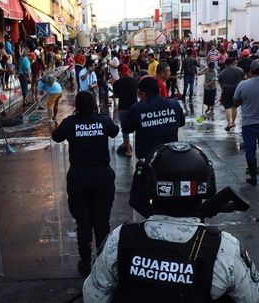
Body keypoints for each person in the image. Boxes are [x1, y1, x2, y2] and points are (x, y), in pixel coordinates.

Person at [83, 141, 259, 303]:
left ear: (151, 185)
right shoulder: (224, 248)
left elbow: (95, 302)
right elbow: (253, 295)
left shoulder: (120, 239)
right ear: (208, 184)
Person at [51, 91, 119, 276]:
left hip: (79, 177)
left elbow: (56, 136)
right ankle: (104, 261)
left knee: (84, 222)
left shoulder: (70, 123)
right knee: (102, 222)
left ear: (77, 106)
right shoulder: (103, 121)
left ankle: (86, 261)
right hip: (102, 176)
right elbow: (115, 131)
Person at [122, 77, 185, 218]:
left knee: (136, 199)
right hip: (172, 161)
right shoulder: (173, 104)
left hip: (149, 164)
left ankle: (153, 218)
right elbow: (181, 122)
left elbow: (127, 127)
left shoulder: (138, 108)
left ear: (142, 93)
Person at [113, 64, 139, 157]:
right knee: (138, 128)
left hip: (123, 108)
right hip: (134, 108)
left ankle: (128, 151)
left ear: (120, 72)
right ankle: (138, 148)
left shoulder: (117, 83)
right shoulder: (135, 81)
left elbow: (116, 95)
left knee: (125, 130)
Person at [218, 58, 246, 131]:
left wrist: (222, 88)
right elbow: (245, 78)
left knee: (227, 107)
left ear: (225, 64)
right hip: (236, 90)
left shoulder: (223, 72)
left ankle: (229, 123)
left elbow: (220, 82)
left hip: (226, 89)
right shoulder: (239, 70)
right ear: (233, 63)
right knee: (234, 106)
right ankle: (233, 122)